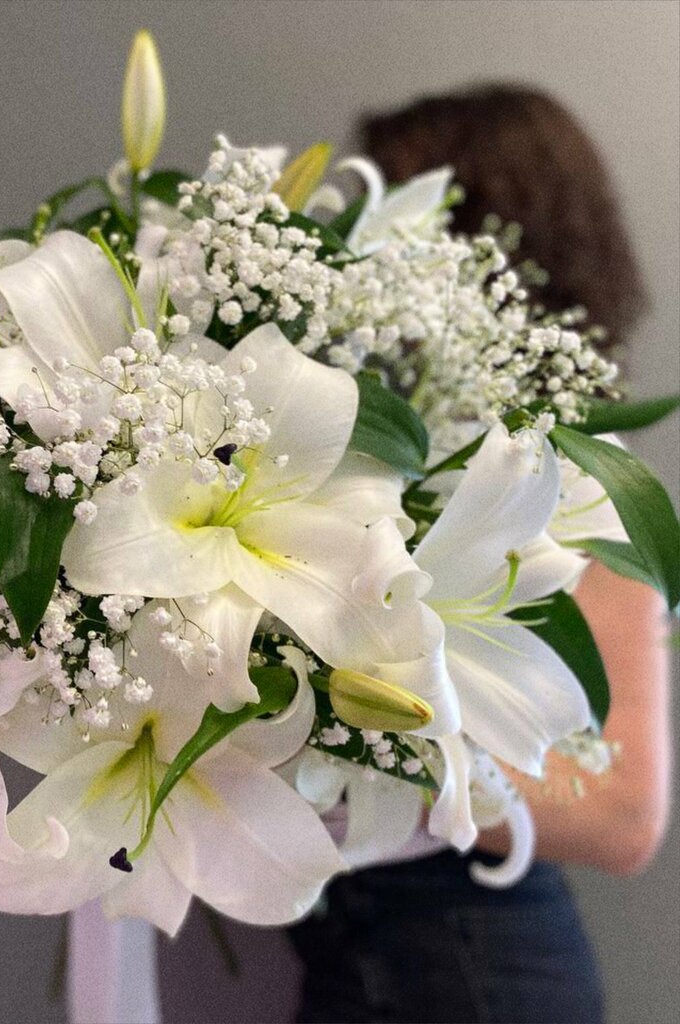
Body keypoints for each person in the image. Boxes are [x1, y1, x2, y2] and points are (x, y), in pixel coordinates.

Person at [288, 84, 672, 1024]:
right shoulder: (398, 447)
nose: (362, 245)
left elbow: (624, 813)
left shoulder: (578, 477)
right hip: (374, 963)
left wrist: (345, 754)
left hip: (476, 974)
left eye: (394, 209)